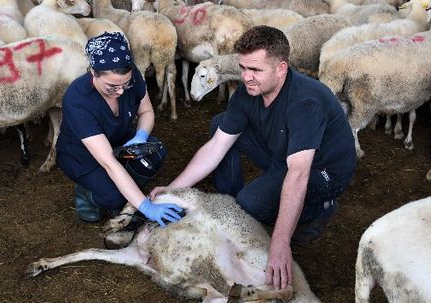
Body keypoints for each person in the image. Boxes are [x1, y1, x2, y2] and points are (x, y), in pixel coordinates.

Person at [150, 26, 356, 289]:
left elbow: (298, 174)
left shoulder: (305, 102)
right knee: (220, 124)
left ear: (281, 69)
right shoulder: (248, 93)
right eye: (243, 68)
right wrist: (174, 190)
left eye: (255, 70)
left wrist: (280, 244)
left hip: (321, 170)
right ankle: (231, 206)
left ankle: (318, 211)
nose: (246, 77)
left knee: (253, 203)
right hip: (283, 152)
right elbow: (216, 147)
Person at [56, 32, 183, 227]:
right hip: (81, 156)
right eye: (112, 86)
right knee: (114, 198)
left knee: (155, 152)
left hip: (118, 140)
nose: (121, 91)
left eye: (126, 84)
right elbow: (108, 162)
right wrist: (145, 207)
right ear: (93, 72)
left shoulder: (132, 77)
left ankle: (124, 187)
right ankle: (87, 193)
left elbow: (147, 111)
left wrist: (141, 136)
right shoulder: (77, 99)